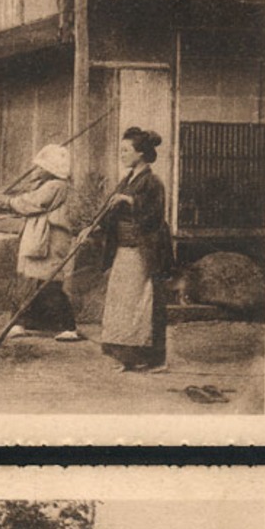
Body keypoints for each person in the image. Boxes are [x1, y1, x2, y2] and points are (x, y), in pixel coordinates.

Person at [98, 126, 173, 372]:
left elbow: (154, 216)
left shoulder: (152, 182)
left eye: (125, 150)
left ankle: (154, 359)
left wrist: (129, 200)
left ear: (141, 153)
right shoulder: (128, 179)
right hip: (124, 248)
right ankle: (128, 357)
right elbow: (111, 210)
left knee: (143, 303)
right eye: (120, 150)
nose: (121, 154)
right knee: (123, 303)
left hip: (144, 250)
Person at [0, 144, 82, 342]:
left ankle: (68, 326)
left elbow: (32, 202)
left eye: (40, 167)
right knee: (31, 279)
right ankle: (23, 322)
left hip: (51, 238)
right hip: (42, 236)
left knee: (48, 281)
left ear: (51, 169)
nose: (37, 170)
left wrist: (5, 201)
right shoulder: (49, 185)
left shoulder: (56, 186)